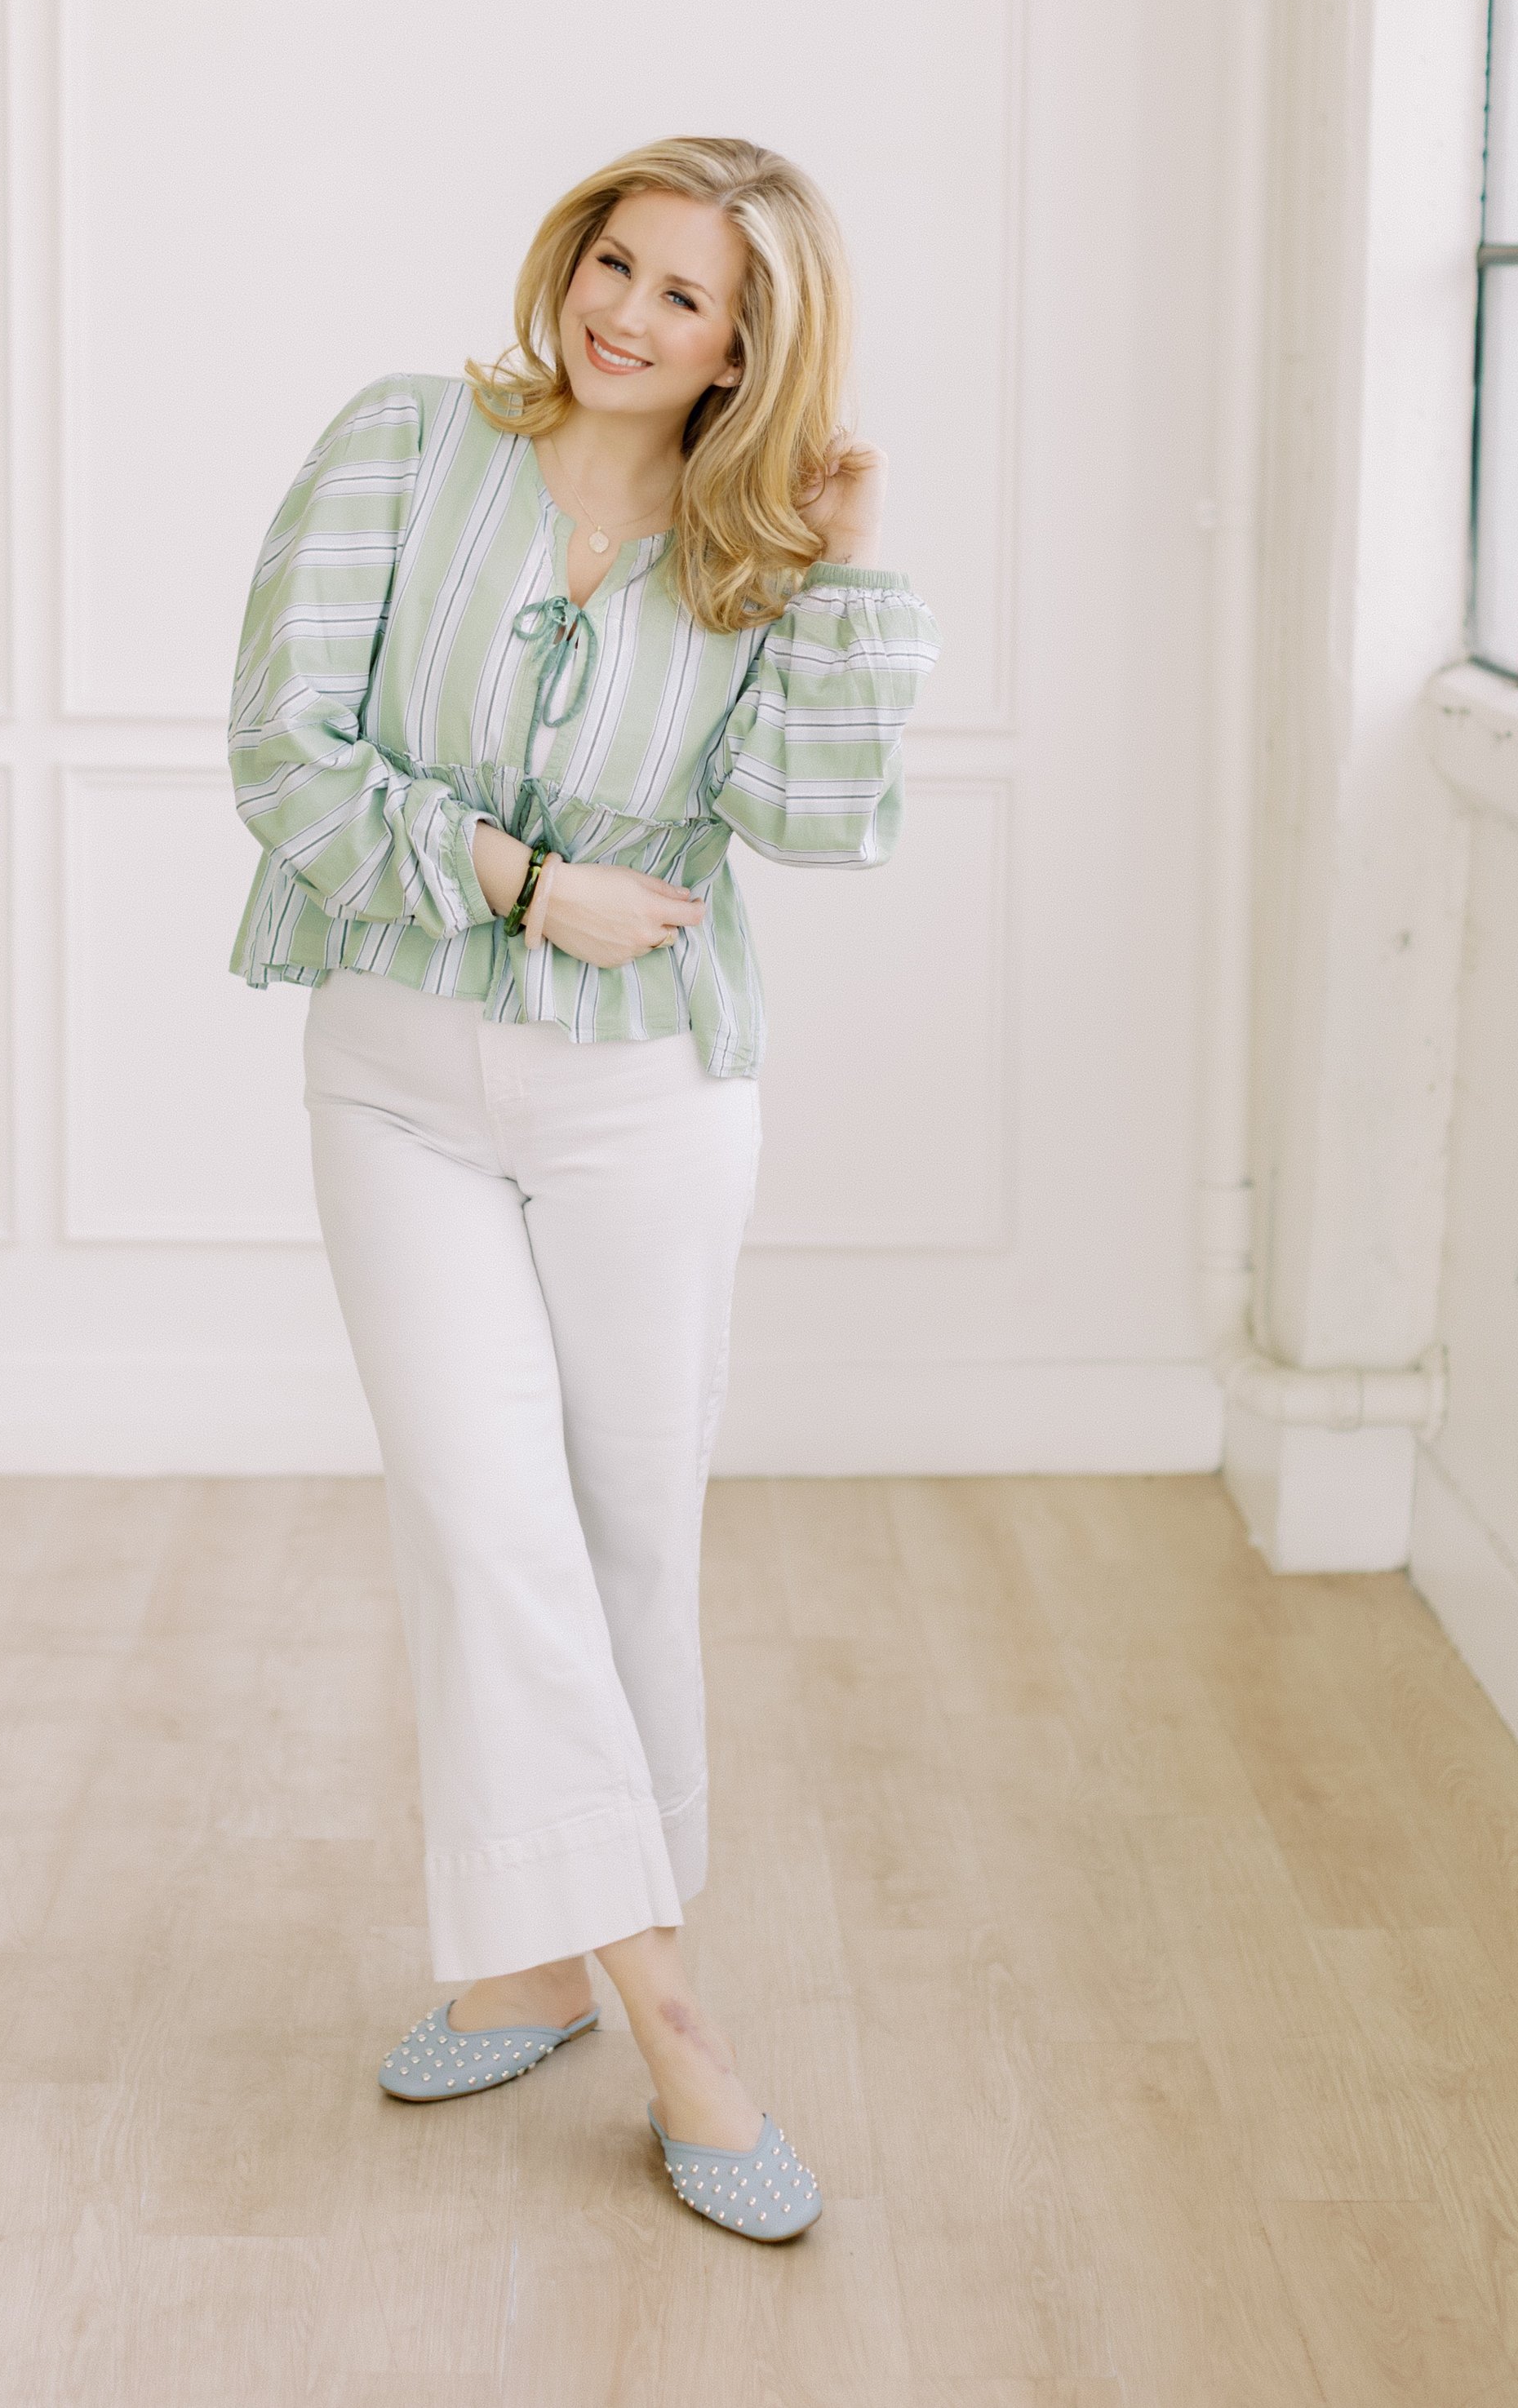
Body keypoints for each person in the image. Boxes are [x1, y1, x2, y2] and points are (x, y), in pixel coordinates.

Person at [225, 136, 938, 2240]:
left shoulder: (758, 545)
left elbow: (814, 816)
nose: (624, 313)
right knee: (486, 1521)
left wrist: (851, 571)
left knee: (626, 1537)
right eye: (614, 261)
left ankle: (539, 1963)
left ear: (747, 348)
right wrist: (524, 880)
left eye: (683, 296)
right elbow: (283, 749)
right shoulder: (402, 445)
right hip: (396, 1071)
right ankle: (678, 2024)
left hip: (647, 1096)